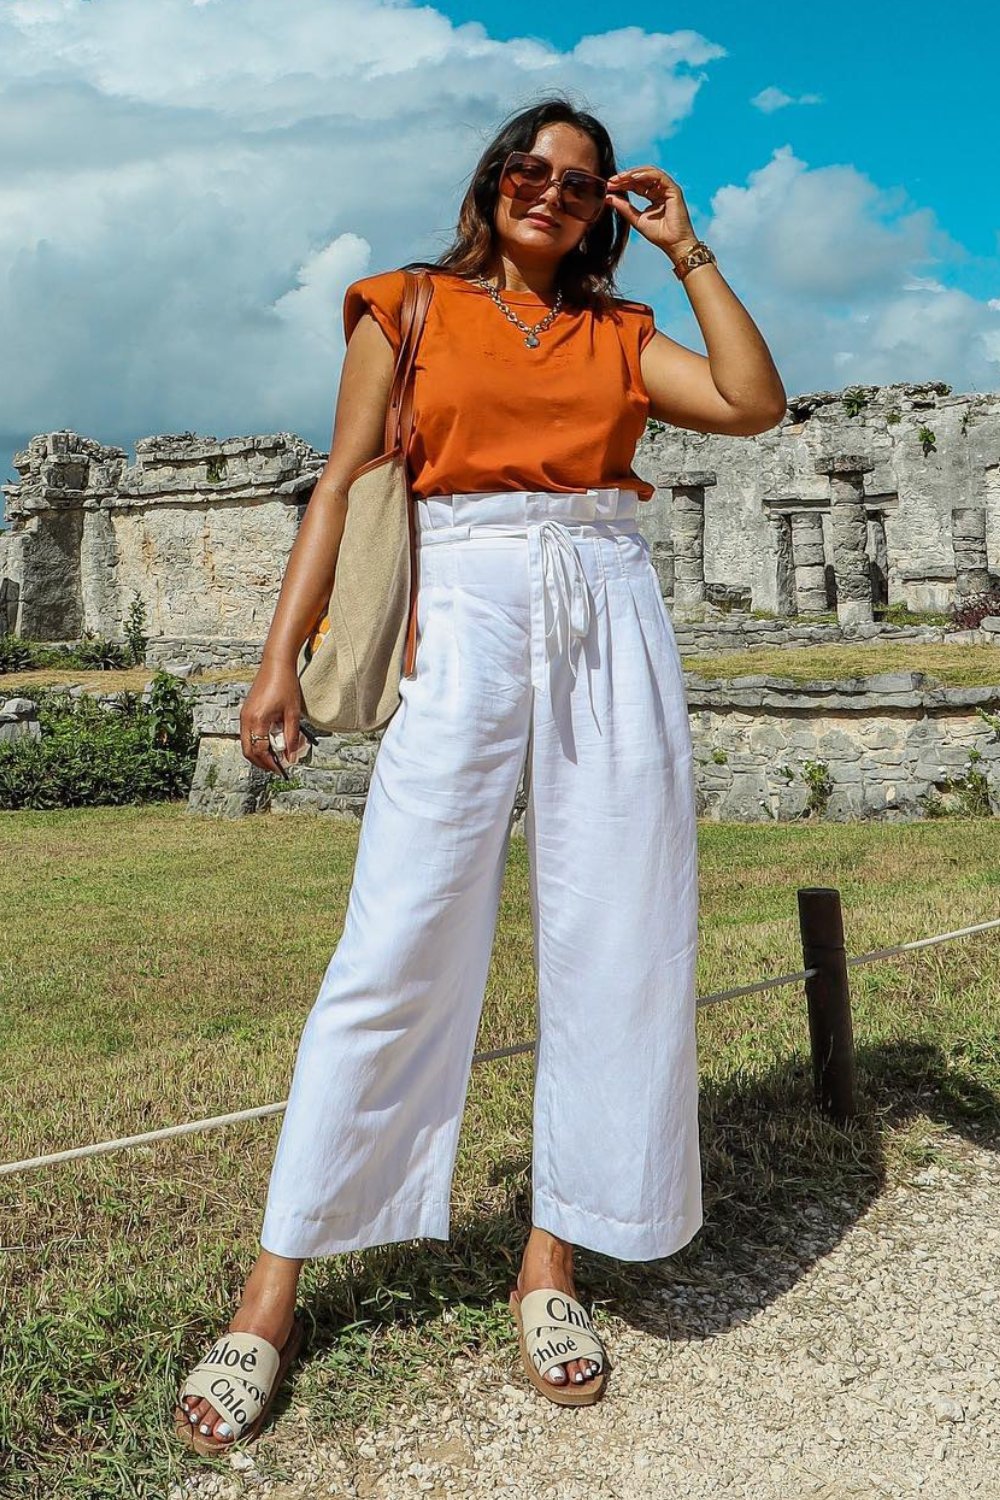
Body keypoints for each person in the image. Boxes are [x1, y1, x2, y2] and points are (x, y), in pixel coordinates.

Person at [174, 93, 786, 1446]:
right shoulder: (401, 305)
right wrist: (278, 663)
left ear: (599, 209)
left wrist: (689, 252)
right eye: (531, 167)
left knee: (616, 937)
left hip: (607, 603)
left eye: (581, 181)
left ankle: (552, 1260)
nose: (552, 191)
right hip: (463, 604)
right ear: (490, 180)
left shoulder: (619, 332)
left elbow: (752, 400)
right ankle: (272, 1292)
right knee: (395, 941)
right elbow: (340, 484)